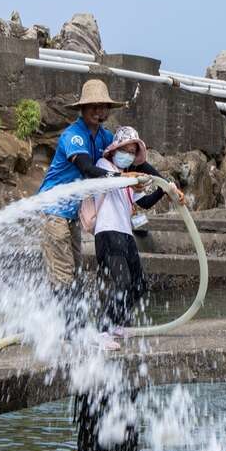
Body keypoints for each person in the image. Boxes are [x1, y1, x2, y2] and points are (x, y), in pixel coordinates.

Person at [91, 126, 183, 344]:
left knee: (139, 284)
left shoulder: (129, 180)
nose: (129, 155)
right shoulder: (103, 166)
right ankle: (102, 331)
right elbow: (112, 179)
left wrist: (164, 189)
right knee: (121, 282)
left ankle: (118, 324)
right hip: (107, 232)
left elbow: (145, 202)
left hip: (126, 235)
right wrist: (132, 176)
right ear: (114, 150)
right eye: (126, 150)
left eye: (133, 152)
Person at [36, 79, 122, 290]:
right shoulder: (73, 136)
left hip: (72, 213)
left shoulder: (104, 137)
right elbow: (86, 167)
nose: (99, 112)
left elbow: (127, 152)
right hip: (53, 208)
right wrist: (117, 179)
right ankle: (61, 321)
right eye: (93, 107)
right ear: (82, 109)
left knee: (75, 270)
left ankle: (67, 319)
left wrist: (159, 181)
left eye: (103, 107)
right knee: (63, 274)